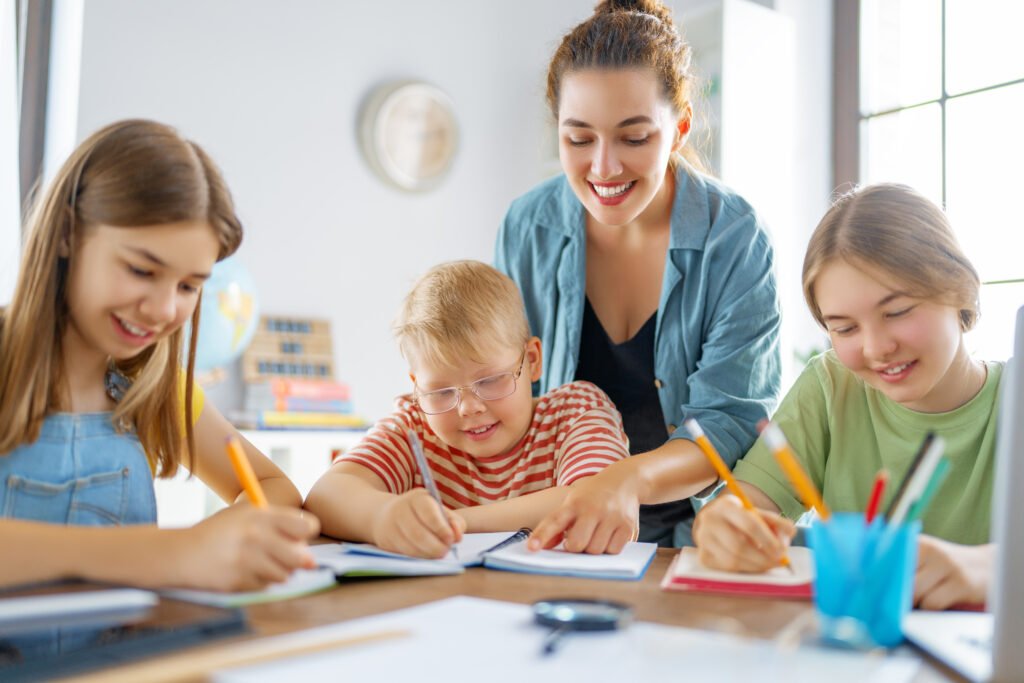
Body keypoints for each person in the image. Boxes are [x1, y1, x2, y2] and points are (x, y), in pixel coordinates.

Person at [495, 0, 780, 550]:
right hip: (559, 531)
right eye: (579, 139)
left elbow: (725, 426)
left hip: (700, 540)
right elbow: (509, 394)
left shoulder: (735, 239)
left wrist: (622, 479)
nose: (603, 167)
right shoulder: (526, 227)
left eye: (634, 138)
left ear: (680, 130)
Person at [0, 119, 319, 594]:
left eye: (189, 285)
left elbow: (276, 488)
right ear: (67, 234)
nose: (165, 309)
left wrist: (207, 546)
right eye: (141, 269)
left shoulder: (154, 389)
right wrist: (166, 556)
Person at [693, 183, 998, 611]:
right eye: (845, 328)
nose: (876, 348)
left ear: (962, 289)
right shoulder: (830, 386)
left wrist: (990, 568)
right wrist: (721, 528)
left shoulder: (1012, 401)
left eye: (897, 312)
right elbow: (741, 507)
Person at [304, 260, 630, 558]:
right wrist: (381, 517)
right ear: (418, 386)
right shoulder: (413, 426)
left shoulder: (576, 412)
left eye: (490, 381)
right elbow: (326, 496)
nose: (468, 408)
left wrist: (455, 522)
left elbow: (594, 497)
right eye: (441, 391)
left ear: (531, 360)